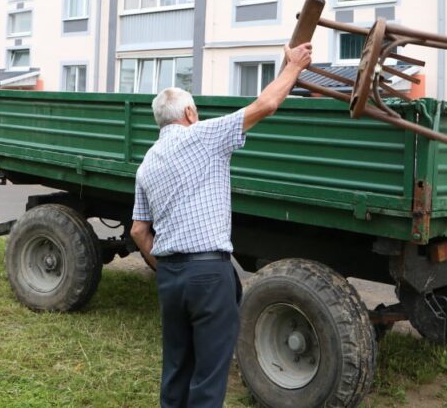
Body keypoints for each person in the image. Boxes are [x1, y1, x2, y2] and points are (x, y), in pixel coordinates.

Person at [130, 42, 314, 408]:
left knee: (177, 367)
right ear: (190, 112)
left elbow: (138, 230)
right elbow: (266, 105)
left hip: (169, 277)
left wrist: (165, 268)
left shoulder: (147, 162)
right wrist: (294, 66)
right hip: (208, 275)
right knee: (209, 375)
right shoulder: (203, 136)